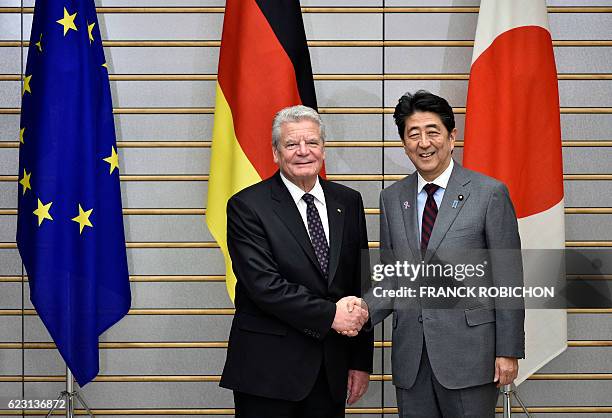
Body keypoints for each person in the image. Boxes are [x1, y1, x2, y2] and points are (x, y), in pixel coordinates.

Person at [354, 90, 525, 417]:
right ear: (404, 143)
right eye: (413, 134)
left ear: (451, 136)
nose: (423, 142)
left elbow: (509, 279)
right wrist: (361, 311)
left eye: (432, 131)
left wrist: (508, 351)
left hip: (471, 358)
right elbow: (392, 279)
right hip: (412, 359)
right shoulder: (392, 199)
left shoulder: (489, 193)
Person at [220, 105, 374, 418]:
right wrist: (331, 314)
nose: (303, 151)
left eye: (312, 143)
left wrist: (360, 360)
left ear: (323, 149)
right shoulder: (247, 206)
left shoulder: (348, 200)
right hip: (268, 374)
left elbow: (360, 284)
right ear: (275, 153)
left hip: (330, 370)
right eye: (291, 144)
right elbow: (264, 286)